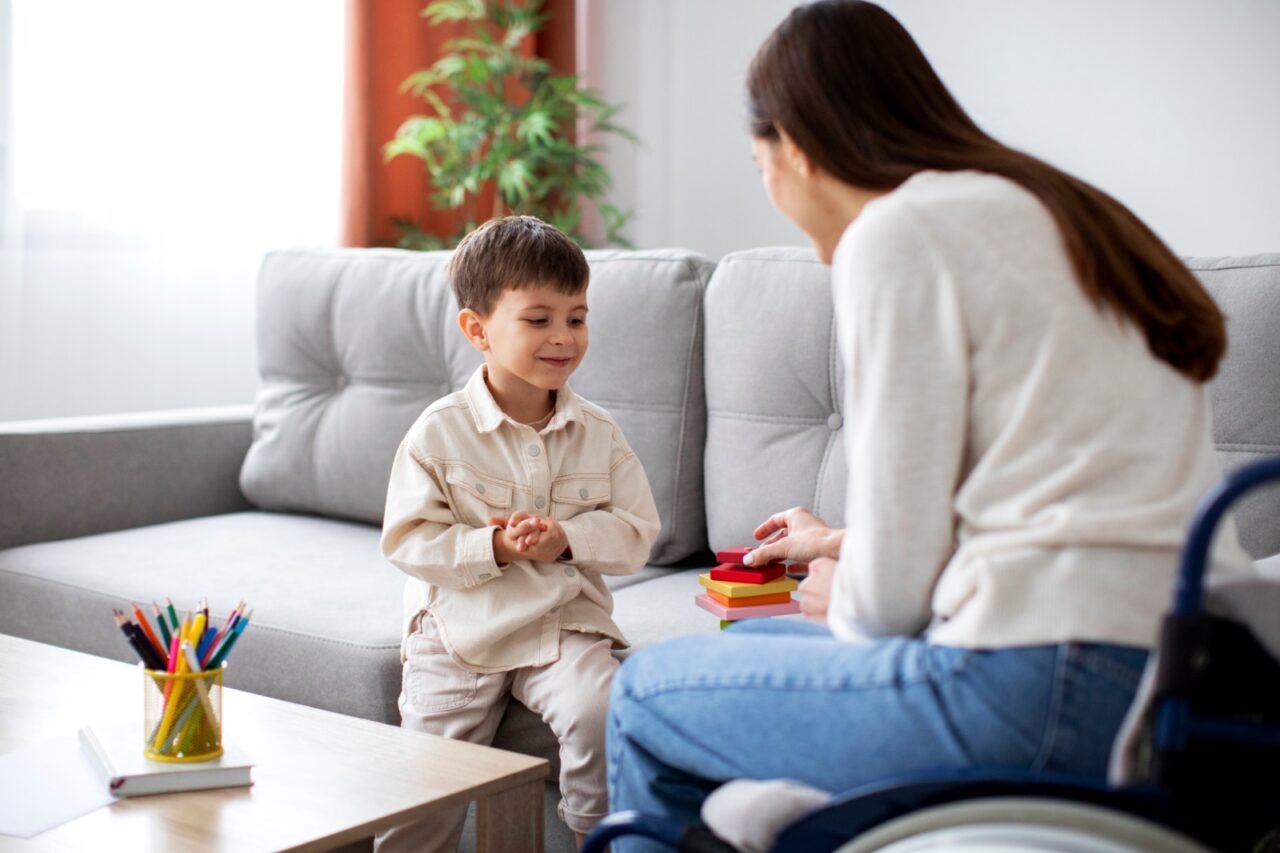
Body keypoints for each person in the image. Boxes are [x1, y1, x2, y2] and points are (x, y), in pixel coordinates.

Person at [604, 1, 1253, 848]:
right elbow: (1043, 500)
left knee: (645, 689)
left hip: (1040, 680)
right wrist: (844, 547)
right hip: (1189, 692)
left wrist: (848, 597)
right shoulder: (1065, 213)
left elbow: (887, 599)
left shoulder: (898, 232)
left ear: (792, 147)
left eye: (759, 162)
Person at [377, 215, 661, 852]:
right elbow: (408, 540)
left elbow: (637, 533)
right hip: (459, 626)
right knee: (424, 779)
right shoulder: (437, 433)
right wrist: (495, 547)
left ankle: (599, 837)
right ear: (478, 329)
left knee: (602, 711)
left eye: (577, 317)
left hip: (561, 623)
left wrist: (568, 538)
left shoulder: (600, 434)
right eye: (539, 319)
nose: (564, 337)